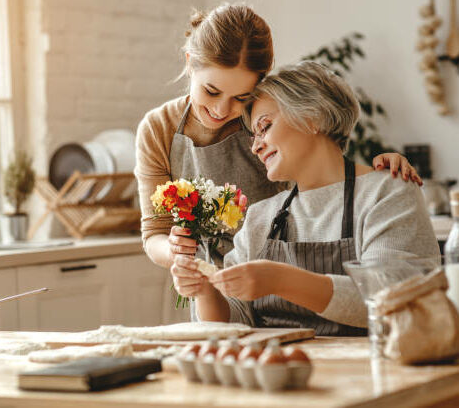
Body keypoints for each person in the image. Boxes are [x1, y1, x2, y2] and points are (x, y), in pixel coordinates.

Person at [135, 3, 420, 285]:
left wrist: (380, 173)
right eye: (211, 91)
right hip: (211, 288)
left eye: (240, 97)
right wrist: (177, 253)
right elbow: (154, 233)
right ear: (189, 63)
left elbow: (323, 171)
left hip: (281, 283)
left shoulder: (263, 116)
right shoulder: (159, 129)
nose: (222, 110)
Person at [172, 61, 439, 335]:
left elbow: (392, 298)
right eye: (253, 135)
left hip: (370, 370)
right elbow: (235, 321)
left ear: (312, 117)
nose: (255, 146)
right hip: (281, 372)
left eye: (265, 127)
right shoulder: (260, 217)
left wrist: (280, 279)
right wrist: (205, 291)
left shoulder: (386, 192)